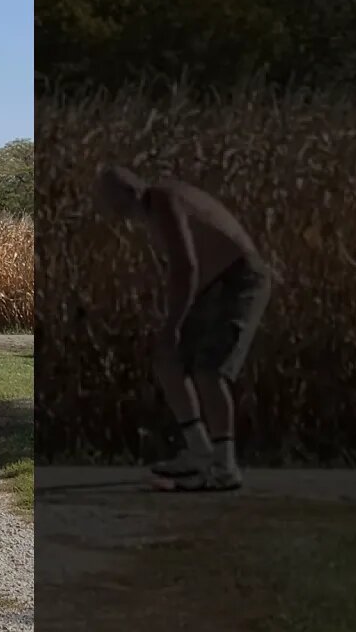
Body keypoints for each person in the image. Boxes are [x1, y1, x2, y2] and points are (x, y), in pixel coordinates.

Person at [93, 166, 272, 491]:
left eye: (114, 205)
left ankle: (224, 466)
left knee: (209, 371)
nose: (116, 216)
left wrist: (173, 324)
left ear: (130, 194)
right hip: (212, 284)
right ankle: (200, 451)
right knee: (167, 360)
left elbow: (185, 265)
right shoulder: (154, 208)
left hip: (239, 279)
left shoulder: (162, 199)